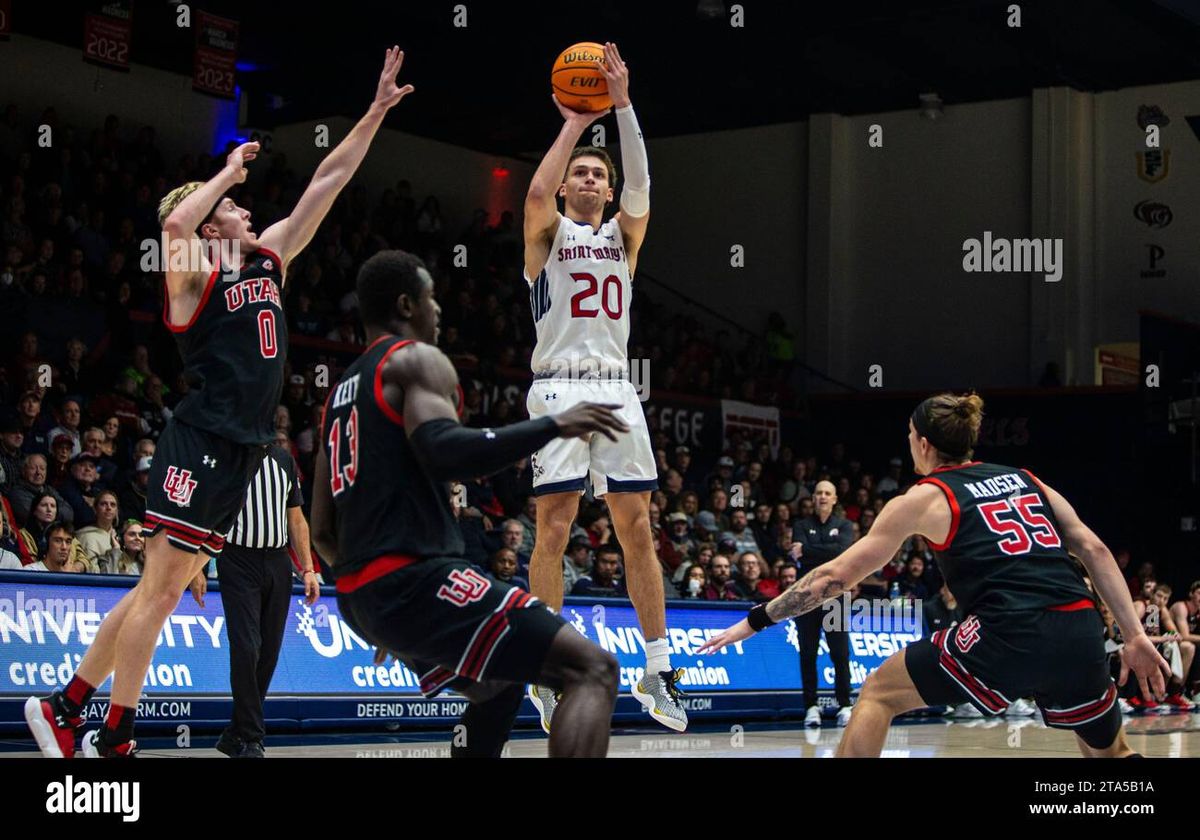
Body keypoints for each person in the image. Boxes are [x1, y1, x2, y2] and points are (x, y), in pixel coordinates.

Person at [24, 47, 411, 760]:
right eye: (232, 206)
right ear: (210, 224)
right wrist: (225, 171)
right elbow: (172, 226)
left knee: (153, 592)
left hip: (240, 447)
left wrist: (376, 112)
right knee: (161, 594)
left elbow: (328, 179)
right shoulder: (189, 275)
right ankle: (110, 733)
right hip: (201, 437)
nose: (243, 207)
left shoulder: (267, 257)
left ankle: (67, 705)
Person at [701, 392, 1169, 758]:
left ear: (923, 442)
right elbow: (1094, 548)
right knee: (1111, 754)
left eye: (909, 435)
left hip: (1007, 629)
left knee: (880, 692)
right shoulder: (1027, 479)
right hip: (1079, 627)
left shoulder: (924, 497)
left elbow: (833, 579)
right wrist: (1134, 635)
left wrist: (755, 620)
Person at [309, 249, 625, 758]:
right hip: (414, 576)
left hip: (358, 594)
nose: (439, 310)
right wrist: (553, 424)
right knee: (594, 669)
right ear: (408, 304)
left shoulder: (338, 396)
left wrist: (377, 598)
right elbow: (444, 451)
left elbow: (321, 528)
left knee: (497, 681)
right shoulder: (415, 360)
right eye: (432, 298)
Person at [522, 43, 686, 733]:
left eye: (598, 173)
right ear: (567, 186)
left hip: (616, 390)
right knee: (553, 526)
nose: (588, 179)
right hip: (557, 390)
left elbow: (644, 188)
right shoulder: (545, 233)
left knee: (637, 528)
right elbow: (533, 192)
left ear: (608, 191)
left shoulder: (624, 237)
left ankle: (657, 669)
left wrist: (621, 107)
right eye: (579, 173)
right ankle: (548, 670)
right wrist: (571, 122)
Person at [214, 444, 320, 758]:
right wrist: (197, 566)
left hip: (277, 561)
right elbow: (208, 514)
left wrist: (308, 568)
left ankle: (235, 733)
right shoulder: (227, 457)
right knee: (247, 646)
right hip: (236, 559)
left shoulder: (284, 460)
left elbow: (297, 519)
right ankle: (250, 737)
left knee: (269, 651)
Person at [791, 479, 855, 727]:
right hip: (806, 597)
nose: (823, 497)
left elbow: (844, 553)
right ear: (813, 498)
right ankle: (811, 707)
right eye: (819, 493)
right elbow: (799, 555)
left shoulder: (845, 525)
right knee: (808, 653)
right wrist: (829, 553)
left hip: (836, 597)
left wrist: (809, 550)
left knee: (840, 654)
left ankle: (845, 705)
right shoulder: (801, 525)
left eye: (828, 493)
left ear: (835, 499)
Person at [1169, 581, 1200, 698]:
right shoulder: (1181, 607)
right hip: (1168, 640)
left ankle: (1195, 688)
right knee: (1189, 647)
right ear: (1191, 594)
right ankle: (1176, 692)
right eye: (1199, 593)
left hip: (1179, 643)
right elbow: (1185, 635)